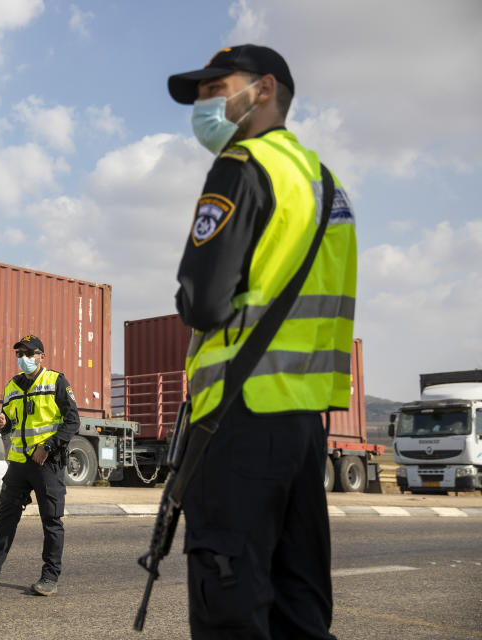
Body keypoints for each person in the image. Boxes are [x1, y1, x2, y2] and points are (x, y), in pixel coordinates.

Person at [167, 44, 356, 638]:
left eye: (214, 88)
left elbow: (203, 300)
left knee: (231, 603)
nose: (204, 103)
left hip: (239, 418)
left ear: (264, 89)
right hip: (302, 426)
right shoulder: (326, 185)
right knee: (299, 603)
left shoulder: (243, 165)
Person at [0, 334, 80, 596]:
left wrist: (47, 446)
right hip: (18, 463)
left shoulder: (56, 381)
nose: (22, 358)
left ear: (41, 356)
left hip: (47, 463)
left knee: (52, 520)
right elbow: (12, 423)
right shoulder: (11, 386)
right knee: (7, 517)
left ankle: (50, 577)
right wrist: (4, 423)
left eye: (28, 353)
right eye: (19, 354)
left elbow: (72, 422)